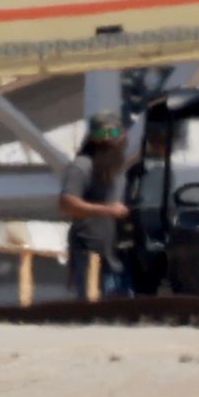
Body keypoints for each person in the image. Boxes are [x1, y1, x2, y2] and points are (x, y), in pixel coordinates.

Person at [59, 111, 132, 299]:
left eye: (113, 134)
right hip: (89, 254)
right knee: (93, 315)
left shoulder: (118, 168)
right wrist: (107, 210)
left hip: (117, 255)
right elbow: (67, 203)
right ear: (92, 137)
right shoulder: (82, 166)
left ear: (122, 134)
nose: (107, 139)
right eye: (101, 134)